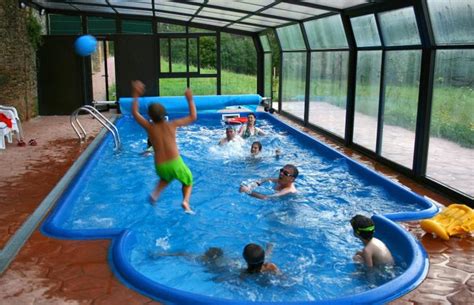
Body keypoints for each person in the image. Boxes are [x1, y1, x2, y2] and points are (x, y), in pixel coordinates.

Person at [131, 80, 196, 213]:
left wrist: (136, 94)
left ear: (150, 116)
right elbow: (193, 117)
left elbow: (135, 113)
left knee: (165, 177)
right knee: (188, 181)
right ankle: (185, 202)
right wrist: (189, 99)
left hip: (160, 166)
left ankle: (155, 195)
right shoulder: (172, 125)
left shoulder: (149, 127)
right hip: (175, 163)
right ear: (164, 114)